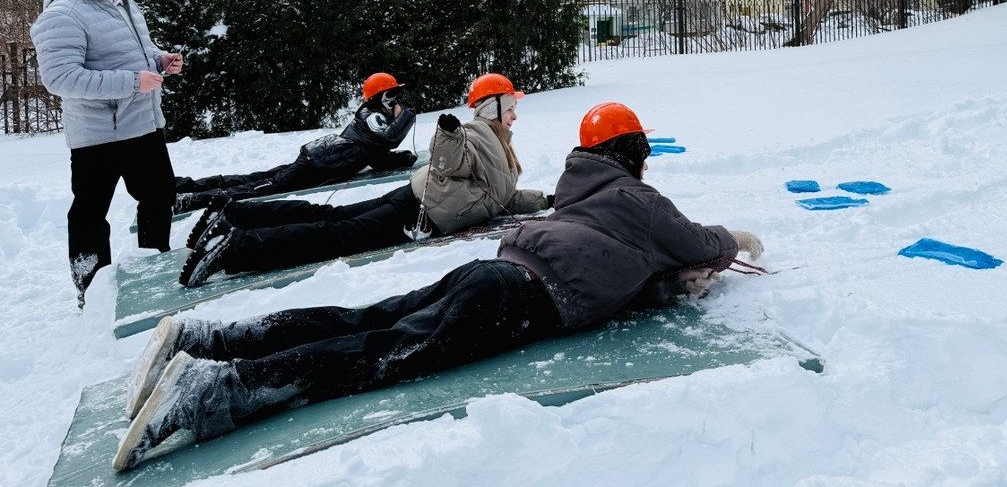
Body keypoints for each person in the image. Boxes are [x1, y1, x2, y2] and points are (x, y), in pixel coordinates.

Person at [114, 101, 764, 472]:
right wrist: (737, 239)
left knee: (367, 317)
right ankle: (217, 389)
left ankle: (211, 339)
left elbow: (620, 258)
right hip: (520, 297)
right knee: (383, 352)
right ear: (634, 151)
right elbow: (697, 242)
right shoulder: (639, 200)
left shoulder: (581, 189)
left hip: (496, 270)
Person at [178, 72, 549, 287]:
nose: (515, 115)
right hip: (418, 212)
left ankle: (237, 215)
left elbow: (502, 196)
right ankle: (236, 247)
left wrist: (546, 200)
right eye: (511, 107)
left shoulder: (499, 143)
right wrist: (447, 133)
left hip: (415, 200)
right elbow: (448, 160)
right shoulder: (476, 133)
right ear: (494, 107)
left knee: (333, 218)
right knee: (337, 233)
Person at [31, 0, 185, 307]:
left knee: (159, 197)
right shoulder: (62, 15)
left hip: (142, 125)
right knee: (89, 214)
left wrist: (160, 60)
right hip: (99, 136)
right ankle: (92, 292)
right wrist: (133, 81)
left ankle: (154, 270)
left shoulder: (124, 3)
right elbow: (61, 79)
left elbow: (135, 53)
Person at [170, 73, 417, 214]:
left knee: (256, 179)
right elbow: (388, 139)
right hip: (316, 164)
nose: (397, 100)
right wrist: (405, 116)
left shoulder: (376, 118)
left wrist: (401, 159)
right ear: (380, 97)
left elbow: (374, 153)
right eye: (392, 94)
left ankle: (183, 187)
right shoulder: (372, 117)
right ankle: (190, 200)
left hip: (317, 161)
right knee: (261, 188)